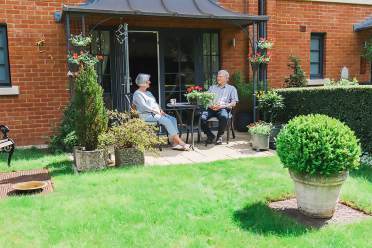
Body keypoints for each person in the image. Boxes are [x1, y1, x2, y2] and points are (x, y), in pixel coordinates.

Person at [132, 73, 190, 151]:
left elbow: (155, 103)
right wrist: (155, 110)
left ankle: (175, 143)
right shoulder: (137, 94)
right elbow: (143, 106)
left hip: (155, 114)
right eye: (147, 81)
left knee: (173, 119)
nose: (149, 82)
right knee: (167, 121)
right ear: (143, 83)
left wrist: (160, 110)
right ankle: (181, 143)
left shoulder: (148, 93)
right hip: (145, 115)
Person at [201, 70, 239, 145]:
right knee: (202, 118)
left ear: (226, 78)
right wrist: (210, 105)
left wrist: (222, 106)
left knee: (224, 116)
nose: (218, 78)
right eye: (218, 76)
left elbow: (234, 103)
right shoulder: (212, 88)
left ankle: (219, 136)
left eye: (220, 76)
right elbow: (206, 99)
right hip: (211, 108)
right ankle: (210, 135)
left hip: (223, 108)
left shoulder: (231, 89)